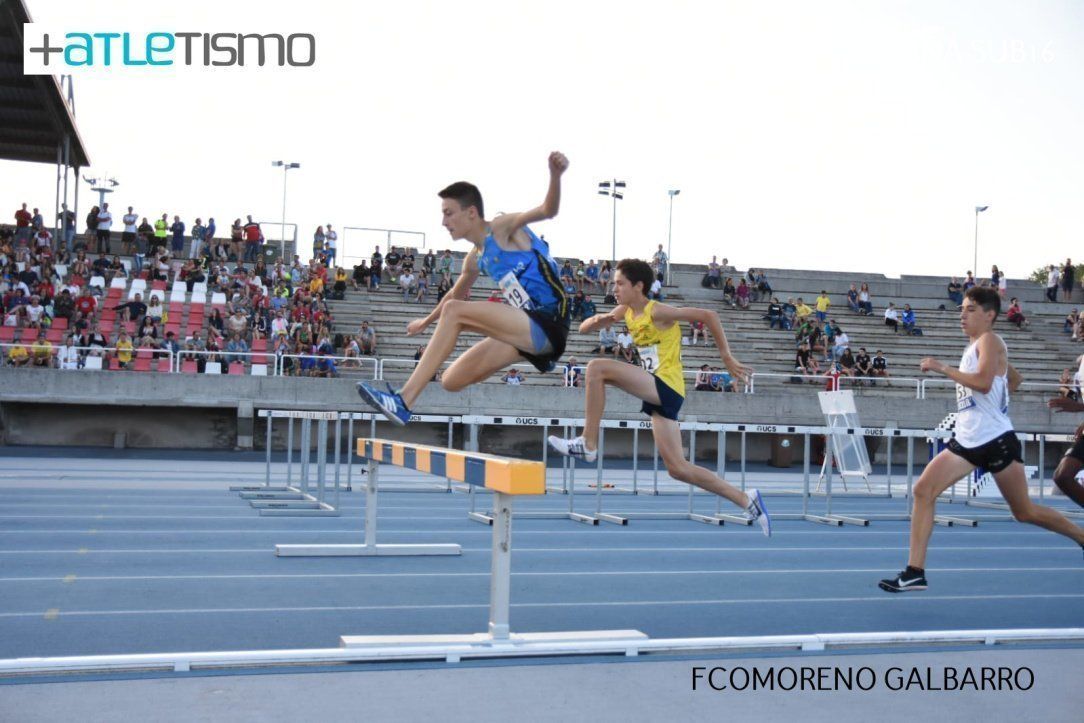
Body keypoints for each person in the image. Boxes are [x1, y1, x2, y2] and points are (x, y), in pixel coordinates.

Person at [879, 287, 1084, 592]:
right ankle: (914, 571)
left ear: (990, 315)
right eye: (962, 308)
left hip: (995, 440)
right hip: (968, 440)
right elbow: (1012, 379)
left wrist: (942, 368)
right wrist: (999, 393)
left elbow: (984, 384)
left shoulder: (989, 340)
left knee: (1024, 511)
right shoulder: (976, 345)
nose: (962, 314)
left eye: (971, 309)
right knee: (923, 490)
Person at [547, 257, 770, 535]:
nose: (613, 287)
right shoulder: (625, 310)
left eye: (619, 283)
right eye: (613, 283)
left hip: (665, 385)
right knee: (677, 468)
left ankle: (588, 444)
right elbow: (583, 329)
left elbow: (708, 316)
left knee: (596, 369)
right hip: (658, 393)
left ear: (638, 286)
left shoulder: (657, 312)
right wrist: (601, 319)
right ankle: (746, 499)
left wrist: (726, 357)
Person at [357, 151, 573, 425]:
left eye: (449, 214)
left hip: (550, 322)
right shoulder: (475, 258)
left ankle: (404, 400)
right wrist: (426, 321)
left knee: (455, 312)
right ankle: (543, 357)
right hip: (525, 334)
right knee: (450, 380)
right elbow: (455, 293)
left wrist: (555, 175)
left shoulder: (502, 228)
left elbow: (547, 210)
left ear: (471, 213)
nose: (444, 222)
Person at [1046, 394, 1084, 509]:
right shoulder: (1079, 376)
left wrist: (1079, 406)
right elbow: (1073, 395)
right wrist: (1065, 388)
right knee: (1062, 476)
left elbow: (1077, 404)